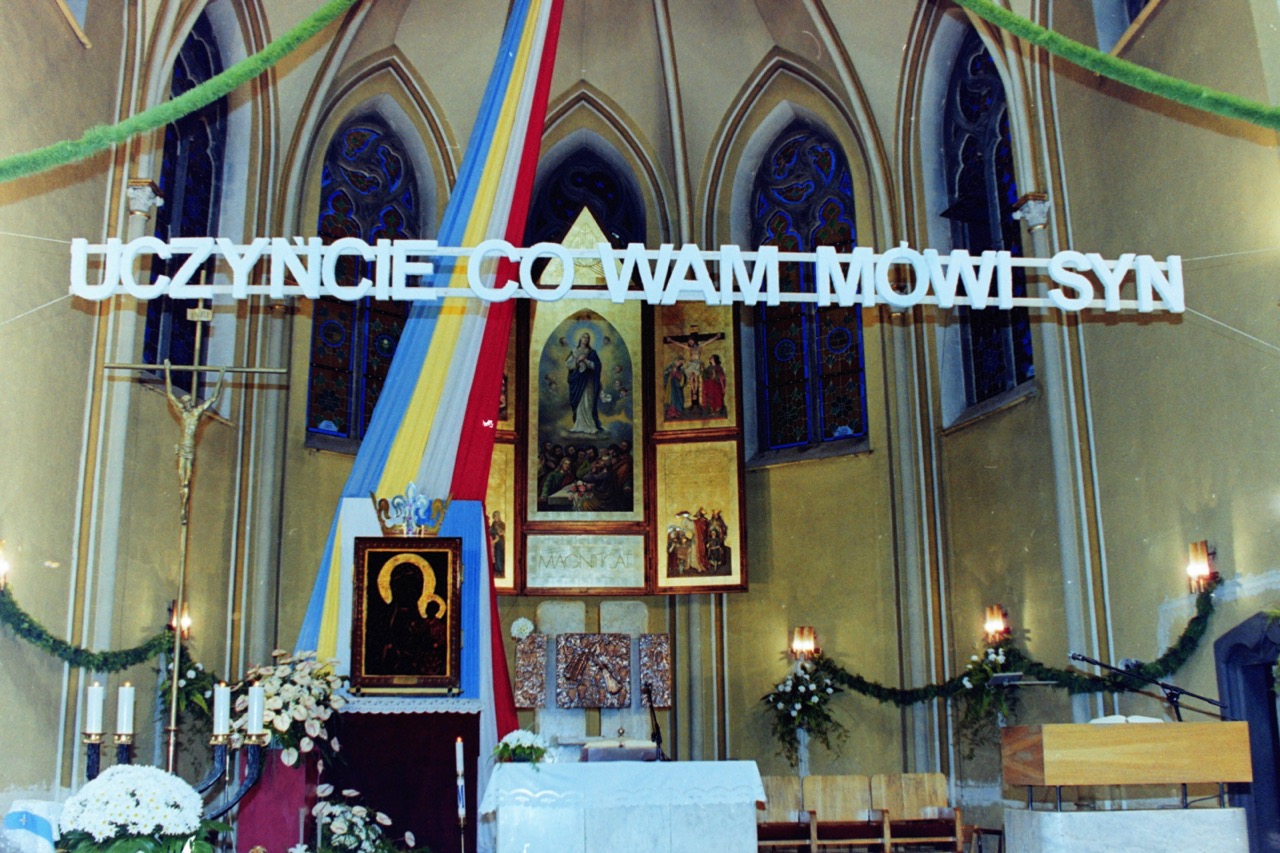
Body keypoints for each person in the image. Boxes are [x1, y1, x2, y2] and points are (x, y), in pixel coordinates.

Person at [164, 361, 226, 518]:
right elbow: (170, 395)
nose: (188, 403)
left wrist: (221, 375)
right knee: (182, 481)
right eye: (185, 401)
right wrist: (167, 370)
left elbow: (213, 397)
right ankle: (183, 510)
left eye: (189, 401)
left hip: (190, 451)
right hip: (182, 449)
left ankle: (184, 510)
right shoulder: (184, 414)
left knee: (187, 481)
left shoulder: (197, 413)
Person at [566, 331, 604, 434]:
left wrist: (586, 361)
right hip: (578, 381)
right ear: (580, 339)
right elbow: (568, 365)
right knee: (579, 403)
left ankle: (590, 425)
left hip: (588, 381)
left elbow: (597, 366)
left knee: (588, 402)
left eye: (587, 338)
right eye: (584, 337)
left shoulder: (592, 352)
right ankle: (579, 426)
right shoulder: (574, 351)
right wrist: (577, 360)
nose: (585, 339)